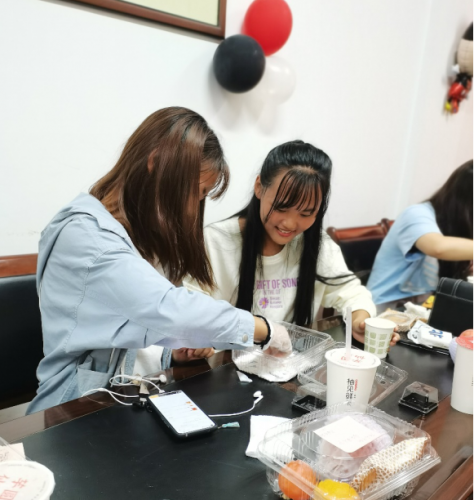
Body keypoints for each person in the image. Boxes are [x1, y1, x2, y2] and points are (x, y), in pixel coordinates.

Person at [27, 107, 291, 414]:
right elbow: (167, 309)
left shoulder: (134, 232)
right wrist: (262, 329)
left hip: (123, 398)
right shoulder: (86, 237)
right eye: (197, 192)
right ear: (155, 163)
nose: (193, 209)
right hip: (71, 409)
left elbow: (131, 332)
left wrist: (173, 353)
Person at [185, 140, 399, 346]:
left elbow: (352, 292)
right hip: (225, 362)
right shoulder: (215, 241)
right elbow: (192, 308)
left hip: (291, 361)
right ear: (259, 187)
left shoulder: (317, 246)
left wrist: (361, 321)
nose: (289, 224)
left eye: (306, 213)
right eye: (281, 207)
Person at [368, 160, 473, 304]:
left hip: (432, 307)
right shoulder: (416, 214)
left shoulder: (460, 226)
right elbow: (438, 247)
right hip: (388, 309)